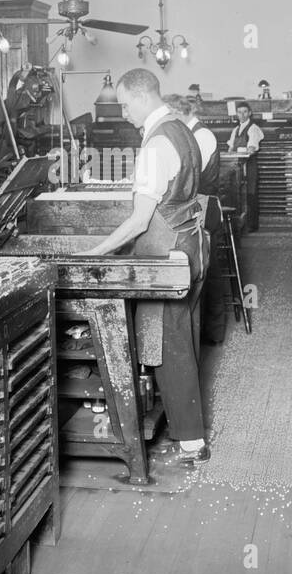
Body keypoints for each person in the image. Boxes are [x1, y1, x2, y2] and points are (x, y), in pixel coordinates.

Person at [78, 70, 209, 464]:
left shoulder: (155, 144)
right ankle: (179, 423)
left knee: (167, 344)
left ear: (140, 98)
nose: (124, 112)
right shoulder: (182, 128)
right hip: (192, 244)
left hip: (166, 252)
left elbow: (139, 221)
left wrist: (96, 253)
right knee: (182, 337)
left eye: (124, 104)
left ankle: (191, 442)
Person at [163, 95, 226, 345]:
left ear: (179, 113)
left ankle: (213, 331)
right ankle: (201, 331)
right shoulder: (189, 134)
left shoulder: (201, 135)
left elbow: (187, 175)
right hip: (194, 205)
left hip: (205, 206)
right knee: (199, 266)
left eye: (170, 114)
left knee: (209, 269)